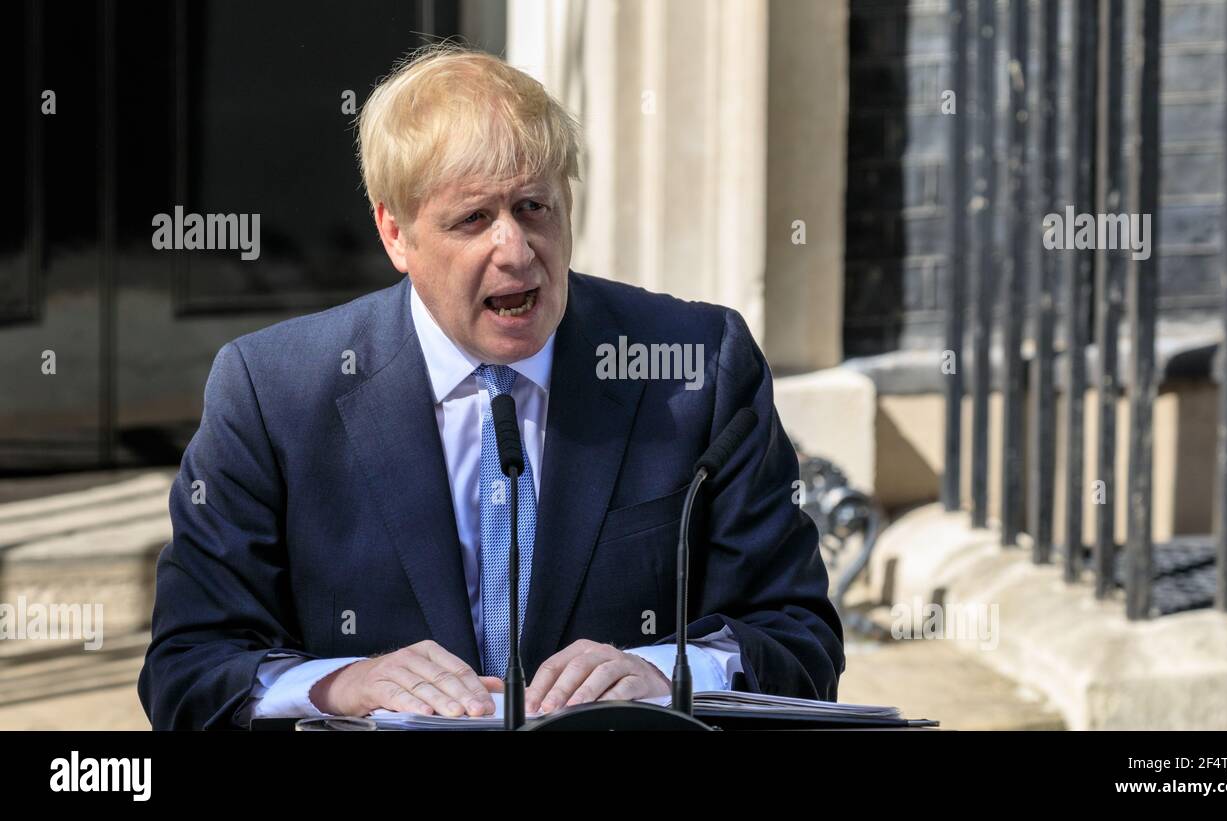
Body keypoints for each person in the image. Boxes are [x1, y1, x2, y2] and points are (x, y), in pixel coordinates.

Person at [138, 45, 843, 730]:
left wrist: (669, 672)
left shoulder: (694, 367)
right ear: (396, 233)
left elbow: (798, 637)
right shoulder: (272, 392)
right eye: (474, 219)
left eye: (534, 207)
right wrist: (335, 683)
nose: (516, 249)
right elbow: (190, 667)